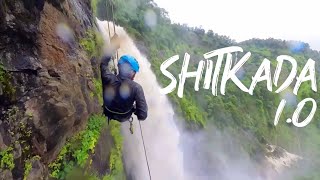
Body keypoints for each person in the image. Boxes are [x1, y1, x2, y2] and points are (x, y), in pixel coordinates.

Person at [100, 36, 148, 122]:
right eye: (134, 72)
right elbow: (142, 116)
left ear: (118, 66)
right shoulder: (136, 88)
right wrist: (135, 109)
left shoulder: (107, 77)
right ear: (132, 72)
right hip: (123, 117)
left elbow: (103, 64)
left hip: (108, 111)